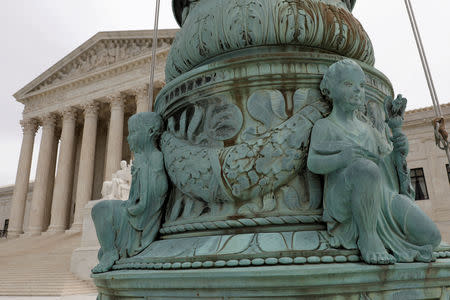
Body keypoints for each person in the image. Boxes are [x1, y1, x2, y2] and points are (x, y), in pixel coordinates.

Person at [307, 59, 441, 264]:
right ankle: (368, 238)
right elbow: (313, 163)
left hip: (382, 198)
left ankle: (392, 241)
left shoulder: (368, 130)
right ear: (331, 91)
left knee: (432, 237)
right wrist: (343, 159)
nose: (357, 91)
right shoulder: (325, 126)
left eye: (361, 86)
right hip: (346, 196)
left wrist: (398, 151)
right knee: (365, 168)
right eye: (348, 84)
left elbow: (386, 165)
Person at [91, 112, 168, 273]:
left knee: (101, 209)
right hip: (135, 210)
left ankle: (111, 252)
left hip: (142, 218)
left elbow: (155, 195)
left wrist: (134, 206)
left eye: (133, 133)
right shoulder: (143, 159)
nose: (128, 138)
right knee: (101, 209)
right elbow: (139, 195)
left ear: (150, 132)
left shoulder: (155, 157)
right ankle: (110, 250)